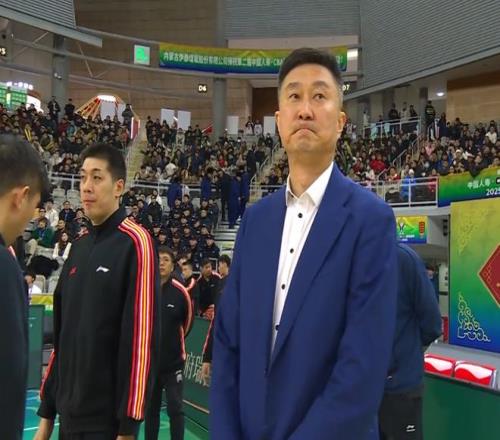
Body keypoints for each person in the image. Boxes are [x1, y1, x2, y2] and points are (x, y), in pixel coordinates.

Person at [211, 48, 398, 440]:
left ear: (341, 121)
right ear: (279, 120)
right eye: (294, 96)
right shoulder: (255, 223)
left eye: (320, 96)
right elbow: (228, 345)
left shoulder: (371, 221)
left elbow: (362, 368)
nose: (306, 110)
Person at [35, 143, 160, 440]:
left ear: (119, 187)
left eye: (97, 177)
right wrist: (47, 414)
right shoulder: (78, 246)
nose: (86, 186)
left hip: (107, 425)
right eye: (82, 177)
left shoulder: (137, 243)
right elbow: (63, 337)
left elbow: (141, 342)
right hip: (68, 419)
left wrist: (128, 426)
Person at [0, 135, 49, 440]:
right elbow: (8, 375)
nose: (33, 216)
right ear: (21, 197)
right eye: (35, 205)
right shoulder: (5, 267)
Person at [379, 244, 442, 440]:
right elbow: (432, 324)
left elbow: (431, 323)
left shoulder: (402, 259)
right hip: (380, 388)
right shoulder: (403, 258)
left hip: (392, 387)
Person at [145, 246, 193, 440]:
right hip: (151, 362)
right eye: (158, 259)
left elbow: (188, 323)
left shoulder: (181, 292)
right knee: (151, 409)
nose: (161, 263)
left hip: (174, 363)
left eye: (166, 259)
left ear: (173, 266)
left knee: (175, 407)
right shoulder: (146, 289)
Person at [201, 254, 231, 386]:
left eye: (220, 264)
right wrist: (207, 357)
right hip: (224, 353)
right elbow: (216, 322)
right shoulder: (222, 283)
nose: (219, 267)